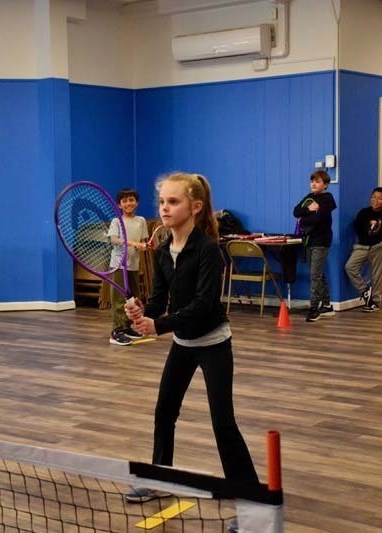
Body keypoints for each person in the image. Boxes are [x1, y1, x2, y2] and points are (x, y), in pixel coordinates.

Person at [123, 172, 259, 509]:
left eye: (173, 201)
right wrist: (141, 309)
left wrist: (160, 325)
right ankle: (160, 480)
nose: (165, 208)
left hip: (213, 344)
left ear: (195, 207)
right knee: (164, 412)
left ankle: (252, 498)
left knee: (222, 423)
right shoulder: (163, 250)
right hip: (183, 345)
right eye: (162, 202)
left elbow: (202, 307)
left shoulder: (208, 251)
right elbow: (159, 300)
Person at [344, 187, 382, 312]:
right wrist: (363, 238)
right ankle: (365, 291)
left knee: (377, 274)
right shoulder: (364, 212)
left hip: (379, 247)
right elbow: (357, 225)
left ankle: (374, 302)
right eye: (374, 197)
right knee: (349, 267)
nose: (376, 200)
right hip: (362, 246)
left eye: (380, 199)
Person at [293, 169, 337, 322]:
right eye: (312, 181)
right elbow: (296, 211)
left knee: (314, 275)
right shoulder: (309, 198)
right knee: (318, 273)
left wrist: (302, 220)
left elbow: (317, 219)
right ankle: (326, 305)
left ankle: (314, 308)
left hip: (321, 241)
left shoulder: (327, 199)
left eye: (317, 181)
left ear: (325, 185)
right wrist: (308, 209)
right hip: (309, 241)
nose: (313, 183)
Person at [107, 188, 149, 346]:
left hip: (134, 264)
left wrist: (144, 246)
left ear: (136, 202)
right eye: (124, 201)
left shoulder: (141, 220)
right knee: (119, 299)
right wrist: (132, 244)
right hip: (119, 265)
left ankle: (126, 327)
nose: (128, 203)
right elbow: (114, 240)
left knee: (132, 298)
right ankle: (116, 332)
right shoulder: (116, 221)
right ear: (119, 205)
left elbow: (144, 240)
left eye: (131, 200)